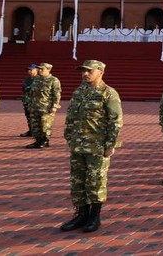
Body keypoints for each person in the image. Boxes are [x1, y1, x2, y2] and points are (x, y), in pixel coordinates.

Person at [60, 60, 123, 233]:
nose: (85, 74)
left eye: (89, 71)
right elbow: (70, 118)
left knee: (95, 182)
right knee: (78, 181)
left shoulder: (108, 93)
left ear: (100, 72)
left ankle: (94, 217)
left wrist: (110, 145)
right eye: (83, 71)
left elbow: (116, 121)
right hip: (78, 146)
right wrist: (69, 139)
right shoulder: (79, 92)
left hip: (97, 147)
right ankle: (81, 215)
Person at [27, 62, 61, 148]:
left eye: (42, 69)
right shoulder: (37, 79)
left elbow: (57, 95)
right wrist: (30, 104)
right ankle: (38, 141)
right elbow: (32, 93)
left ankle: (45, 141)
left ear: (48, 70)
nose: (40, 70)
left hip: (46, 108)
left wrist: (54, 106)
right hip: (34, 106)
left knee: (45, 125)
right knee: (35, 125)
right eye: (39, 69)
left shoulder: (53, 80)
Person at [20, 64, 39, 137]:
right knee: (28, 116)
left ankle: (37, 132)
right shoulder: (27, 79)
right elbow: (24, 88)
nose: (29, 71)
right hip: (27, 100)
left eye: (31, 70)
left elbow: (35, 89)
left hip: (35, 101)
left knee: (35, 117)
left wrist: (29, 88)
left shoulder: (39, 79)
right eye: (28, 70)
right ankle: (31, 131)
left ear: (36, 70)